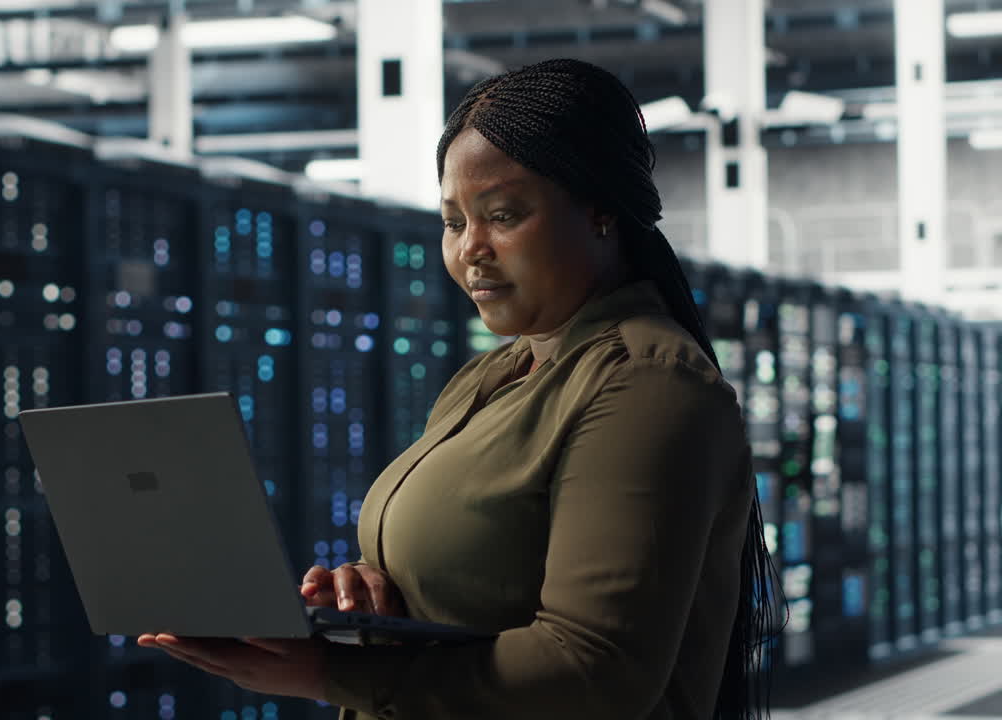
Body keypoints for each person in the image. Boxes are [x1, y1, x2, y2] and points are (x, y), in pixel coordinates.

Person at [138, 57, 777, 720]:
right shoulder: (493, 378)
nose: (472, 248)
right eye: (453, 221)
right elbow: (473, 583)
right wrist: (365, 596)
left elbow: (596, 672)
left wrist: (332, 671)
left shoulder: (645, 387)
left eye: (503, 215)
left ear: (601, 213)